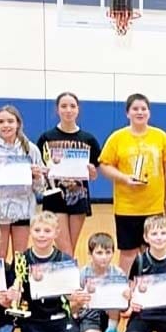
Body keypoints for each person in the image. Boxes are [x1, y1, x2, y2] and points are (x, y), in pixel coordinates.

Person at [98, 93, 166, 276]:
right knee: (128, 252)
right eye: (135, 109)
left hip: (153, 205)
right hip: (127, 207)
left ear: (149, 112)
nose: (140, 112)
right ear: (127, 113)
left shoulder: (160, 136)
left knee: (154, 250)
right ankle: (125, 291)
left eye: (143, 109)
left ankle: (152, 290)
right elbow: (104, 165)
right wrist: (124, 178)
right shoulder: (117, 138)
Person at [16, 211, 89, 332]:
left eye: (47, 231)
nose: (42, 235)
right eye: (37, 230)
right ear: (30, 231)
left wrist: (77, 298)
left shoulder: (65, 261)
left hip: (60, 318)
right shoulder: (21, 260)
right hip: (34, 321)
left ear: (56, 233)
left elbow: (71, 295)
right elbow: (16, 292)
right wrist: (14, 295)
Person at [0, 105, 46, 259]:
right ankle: (0, 284)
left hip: (24, 211)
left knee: (20, 257)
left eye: (10, 121)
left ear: (18, 124)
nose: (6, 125)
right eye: (1, 122)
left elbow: (41, 188)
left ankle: (17, 284)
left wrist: (37, 176)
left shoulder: (31, 149)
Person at [35, 92, 102, 256]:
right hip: (54, 196)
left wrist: (93, 172)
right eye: (63, 106)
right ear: (57, 110)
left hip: (79, 196)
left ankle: (67, 276)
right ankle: (71, 277)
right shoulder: (46, 138)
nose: (68, 110)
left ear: (78, 109)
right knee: (65, 248)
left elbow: (93, 175)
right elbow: (40, 168)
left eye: (72, 106)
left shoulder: (88, 139)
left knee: (71, 247)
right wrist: (43, 172)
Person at [78, 232, 129, 332]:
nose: (104, 257)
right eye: (99, 253)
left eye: (108, 252)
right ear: (90, 254)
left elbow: (124, 306)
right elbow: (75, 303)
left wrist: (127, 296)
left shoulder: (118, 273)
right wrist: (84, 295)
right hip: (89, 317)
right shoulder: (83, 273)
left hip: (110, 316)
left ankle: (111, 331)